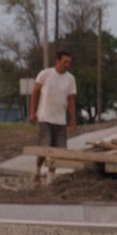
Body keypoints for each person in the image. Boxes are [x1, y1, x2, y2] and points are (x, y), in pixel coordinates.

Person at [29, 50, 77, 185]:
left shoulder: (70, 79)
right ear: (57, 61)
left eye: (69, 62)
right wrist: (32, 112)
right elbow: (35, 93)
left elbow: (71, 100)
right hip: (45, 118)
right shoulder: (45, 74)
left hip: (60, 120)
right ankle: (37, 170)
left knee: (58, 151)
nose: (67, 64)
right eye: (65, 61)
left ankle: (50, 178)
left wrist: (72, 120)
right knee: (45, 147)